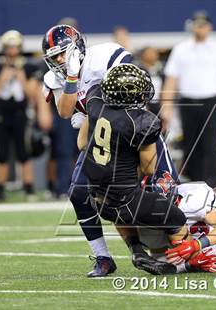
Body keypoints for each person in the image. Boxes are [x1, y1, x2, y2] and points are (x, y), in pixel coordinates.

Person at [42, 24, 178, 276]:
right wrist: (72, 77)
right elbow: (64, 111)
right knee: (80, 193)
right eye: (54, 57)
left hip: (134, 132)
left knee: (162, 191)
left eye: (62, 53)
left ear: (78, 47)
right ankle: (107, 257)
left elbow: (130, 93)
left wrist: (91, 107)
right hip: (100, 140)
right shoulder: (56, 78)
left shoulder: (104, 56)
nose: (59, 60)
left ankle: (184, 249)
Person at [78, 64, 187, 275]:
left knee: (117, 207)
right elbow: (149, 168)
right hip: (127, 200)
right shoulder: (142, 121)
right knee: (177, 218)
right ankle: (185, 262)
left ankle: (137, 250)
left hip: (98, 199)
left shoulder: (94, 100)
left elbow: (82, 143)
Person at [161, 11, 216, 187]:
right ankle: (195, 183)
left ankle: (212, 182)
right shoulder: (181, 49)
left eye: (203, 25)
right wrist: (166, 107)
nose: (201, 28)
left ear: (209, 27)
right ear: (193, 27)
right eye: (197, 25)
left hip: (211, 102)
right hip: (187, 102)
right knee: (190, 143)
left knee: (210, 143)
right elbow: (171, 80)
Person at [0, 30, 45, 201]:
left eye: (15, 47)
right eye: (9, 48)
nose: (12, 51)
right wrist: (2, 78)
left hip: (21, 114)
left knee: (24, 152)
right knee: (1, 154)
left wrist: (20, 77)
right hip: (0, 114)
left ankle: (29, 189)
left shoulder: (29, 67)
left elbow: (32, 93)